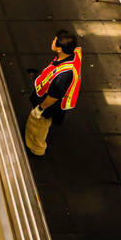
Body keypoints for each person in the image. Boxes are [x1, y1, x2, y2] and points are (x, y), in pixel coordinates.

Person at [25, 29, 82, 157]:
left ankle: (36, 149)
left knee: (38, 126)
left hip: (48, 107)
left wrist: (40, 109)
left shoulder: (65, 75)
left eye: (55, 41)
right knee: (38, 125)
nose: (52, 42)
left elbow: (53, 97)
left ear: (59, 49)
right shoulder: (69, 56)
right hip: (48, 100)